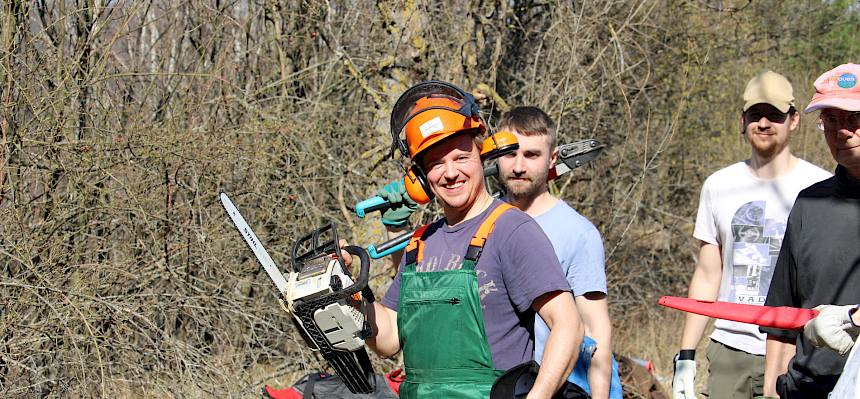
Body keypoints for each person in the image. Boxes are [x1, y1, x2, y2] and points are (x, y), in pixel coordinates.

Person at [362, 81, 584, 398]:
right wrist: (351, 295)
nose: (450, 173)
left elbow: (568, 325)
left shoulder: (511, 230)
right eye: (436, 163)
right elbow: (388, 340)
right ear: (420, 178)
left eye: (461, 157)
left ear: (481, 155)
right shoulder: (421, 243)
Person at [673, 71, 831, 399]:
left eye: (775, 115)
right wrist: (686, 355)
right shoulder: (719, 185)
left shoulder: (821, 188)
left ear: (794, 120)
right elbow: (708, 273)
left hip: (797, 348)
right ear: (742, 120)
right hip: (730, 348)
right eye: (755, 114)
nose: (764, 123)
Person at [494, 106, 621, 399]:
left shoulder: (578, 232)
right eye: (510, 154)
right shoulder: (484, 221)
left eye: (532, 155)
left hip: (558, 388)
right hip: (494, 385)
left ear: (552, 159)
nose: (518, 166)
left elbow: (595, 329)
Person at [761, 63, 860, 398]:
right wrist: (774, 387)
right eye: (830, 119)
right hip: (807, 388)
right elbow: (782, 314)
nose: (842, 131)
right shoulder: (810, 203)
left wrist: (853, 319)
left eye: (854, 118)